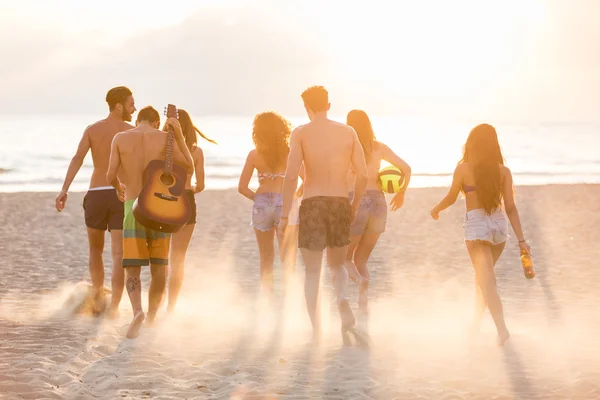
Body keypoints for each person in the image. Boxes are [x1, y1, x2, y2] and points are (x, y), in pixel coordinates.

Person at [279, 86, 369, 344]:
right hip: (340, 201)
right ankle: (341, 296)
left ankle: (317, 330)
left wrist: (285, 215)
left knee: (312, 271)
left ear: (306, 107)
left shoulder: (300, 133)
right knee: (338, 264)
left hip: (312, 202)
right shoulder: (348, 132)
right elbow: (362, 175)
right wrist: (354, 204)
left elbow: (290, 176)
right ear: (329, 105)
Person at [430, 123, 531, 345]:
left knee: (487, 282)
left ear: (471, 144)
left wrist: (436, 209)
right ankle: (475, 324)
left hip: (477, 227)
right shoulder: (503, 171)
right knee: (482, 280)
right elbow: (511, 207)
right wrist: (522, 240)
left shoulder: (464, 169)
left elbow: (451, 196)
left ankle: (502, 329)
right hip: (499, 227)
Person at [106, 106, 193, 338]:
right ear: (157, 122)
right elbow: (189, 166)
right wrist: (180, 135)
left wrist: (118, 187)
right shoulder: (165, 138)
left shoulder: (120, 138)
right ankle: (153, 316)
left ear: (137, 121)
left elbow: (110, 174)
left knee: (132, 266)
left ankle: (137, 312)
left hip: (132, 206)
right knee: (159, 267)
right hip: (159, 208)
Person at [55, 86, 136, 318]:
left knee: (95, 249)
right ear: (119, 106)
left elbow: (78, 158)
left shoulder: (93, 129)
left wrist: (64, 189)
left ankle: (99, 295)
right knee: (119, 254)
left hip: (97, 194)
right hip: (120, 194)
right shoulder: (130, 132)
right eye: (131, 103)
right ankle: (115, 308)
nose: (134, 108)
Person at [344, 110, 412, 315]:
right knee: (362, 259)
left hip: (355, 201)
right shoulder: (379, 147)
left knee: (344, 258)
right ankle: (363, 303)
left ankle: (359, 281)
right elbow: (406, 168)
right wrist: (401, 194)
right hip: (378, 203)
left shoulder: (347, 147)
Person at [238, 111, 301, 302]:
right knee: (287, 256)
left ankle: (269, 298)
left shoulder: (254, 155)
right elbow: (306, 179)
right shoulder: (290, 153)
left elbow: (242, 187)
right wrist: (294, 196)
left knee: (266, 257)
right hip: (285, 203)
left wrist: (258, 198)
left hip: (262, 204)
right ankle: (287, 297)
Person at [166, 109, 217, 313]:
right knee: (178, 259)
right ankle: (171, 307)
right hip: (187, 200)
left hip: (164, 200)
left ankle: (157, 302)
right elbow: (201, 185)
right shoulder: (196, 152)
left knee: (162, 257)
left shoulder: (164, 147)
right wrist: (189, 188)